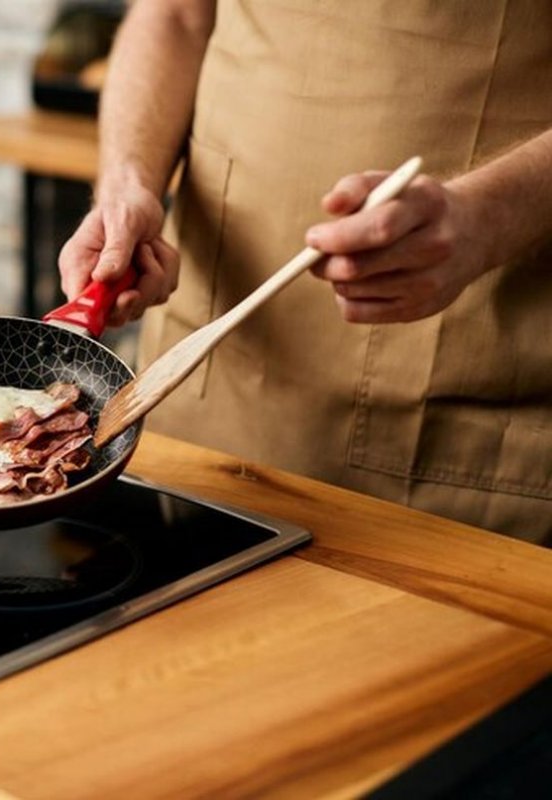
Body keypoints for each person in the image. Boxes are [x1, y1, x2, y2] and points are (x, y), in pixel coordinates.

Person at [58, 0, 552, 545]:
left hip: (462, 414)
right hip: (208, 378)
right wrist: (127, 182)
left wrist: (490, 216)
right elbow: (174, 15)